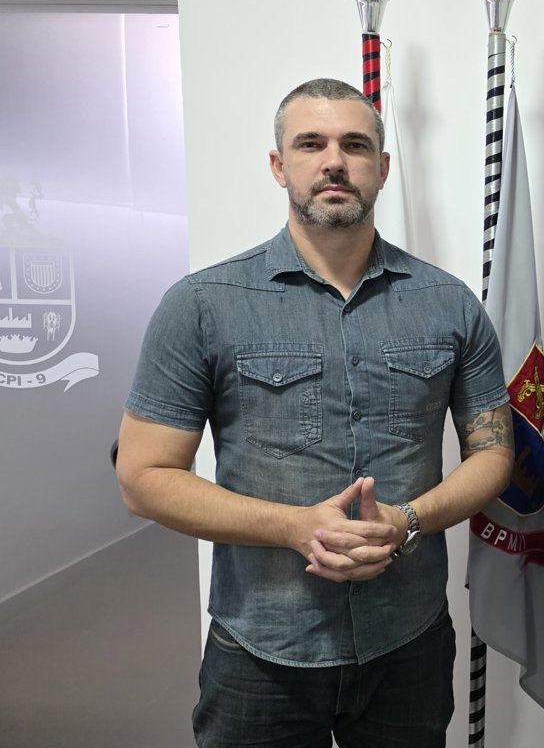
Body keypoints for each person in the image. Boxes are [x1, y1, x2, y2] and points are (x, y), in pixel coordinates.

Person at [115, 78, 514, 748]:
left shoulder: (450, 305)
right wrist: (297, 528)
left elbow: (496, 454)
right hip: (261, 647)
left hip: (408, 642)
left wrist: (407, 520)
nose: (334, 160)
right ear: (279, 165)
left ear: (382, 168)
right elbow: (142, 477)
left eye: (355, 145)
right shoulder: (201, 305)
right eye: (311, 143)